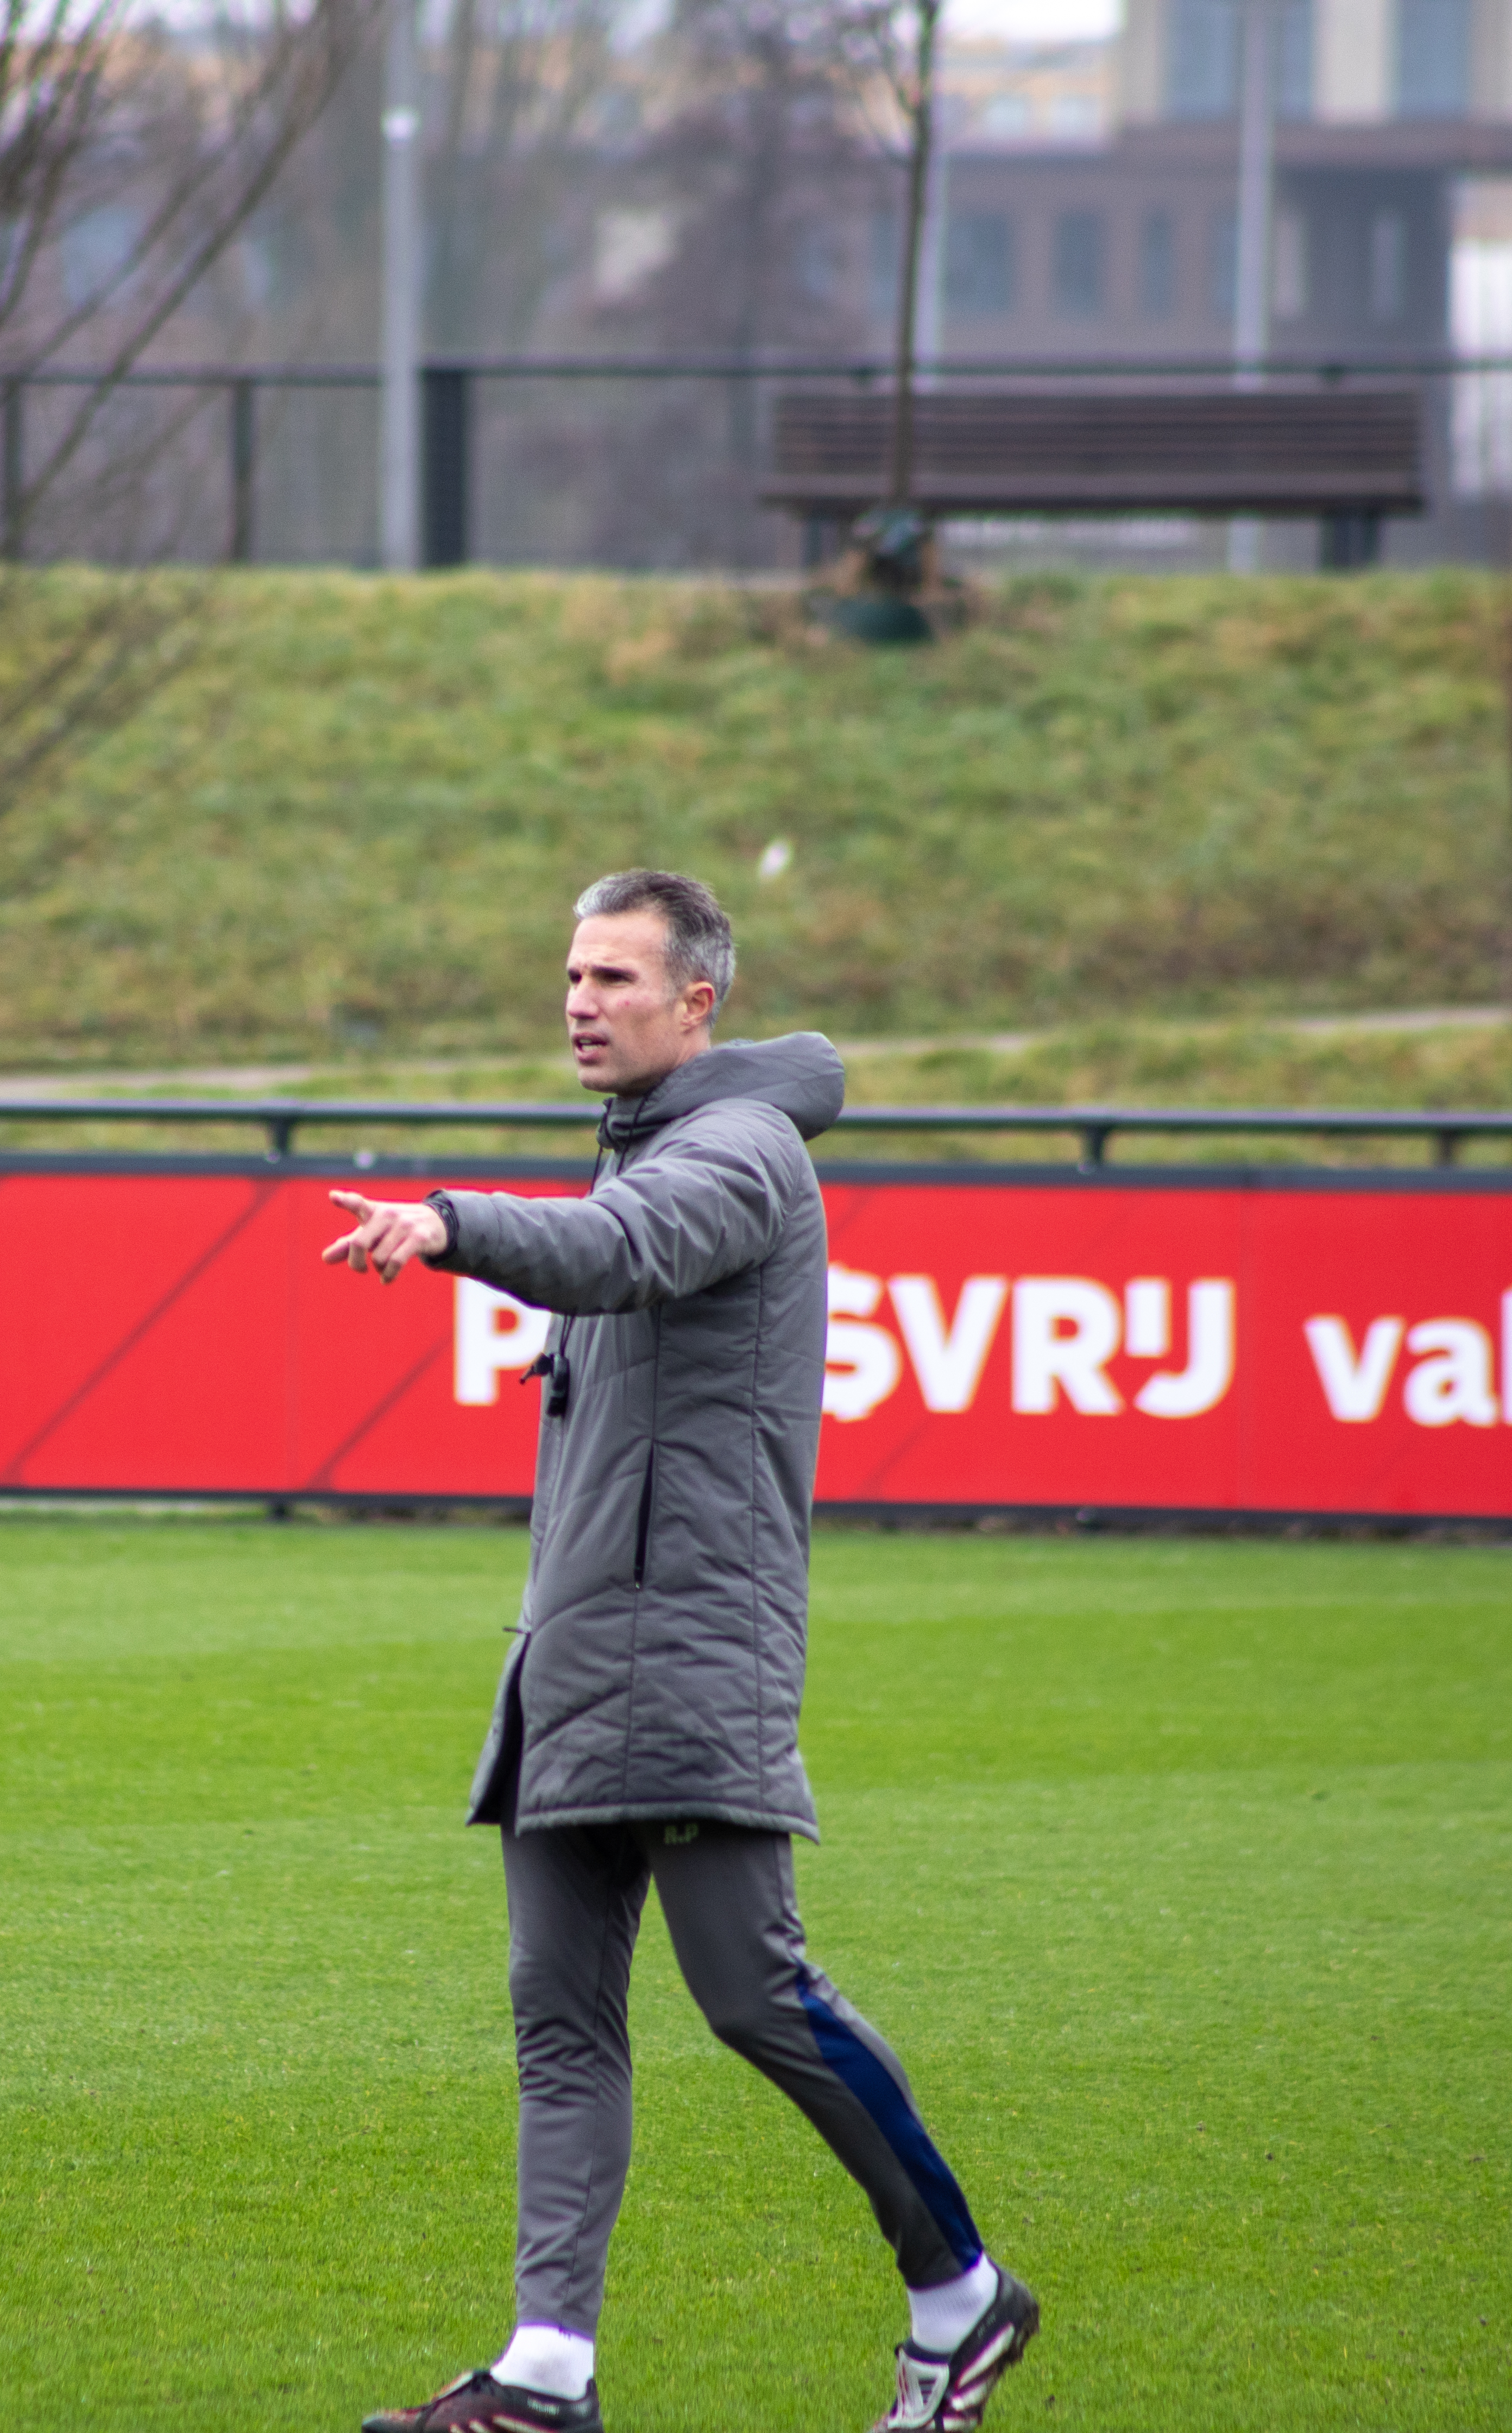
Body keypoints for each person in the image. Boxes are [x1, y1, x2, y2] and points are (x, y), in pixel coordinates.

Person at [320, 872, 1040, 2433]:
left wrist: (445, 1224)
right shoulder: (653, 1133)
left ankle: (963, 2295)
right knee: (558, 2020)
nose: (581, 1002)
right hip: (577, 1665)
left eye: (615, 978)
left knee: (754, 1996)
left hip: (691, 1660)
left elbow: (616, 1250)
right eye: (571, 974)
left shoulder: (740, 1153)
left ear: (698, 1000)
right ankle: (546, 2373)